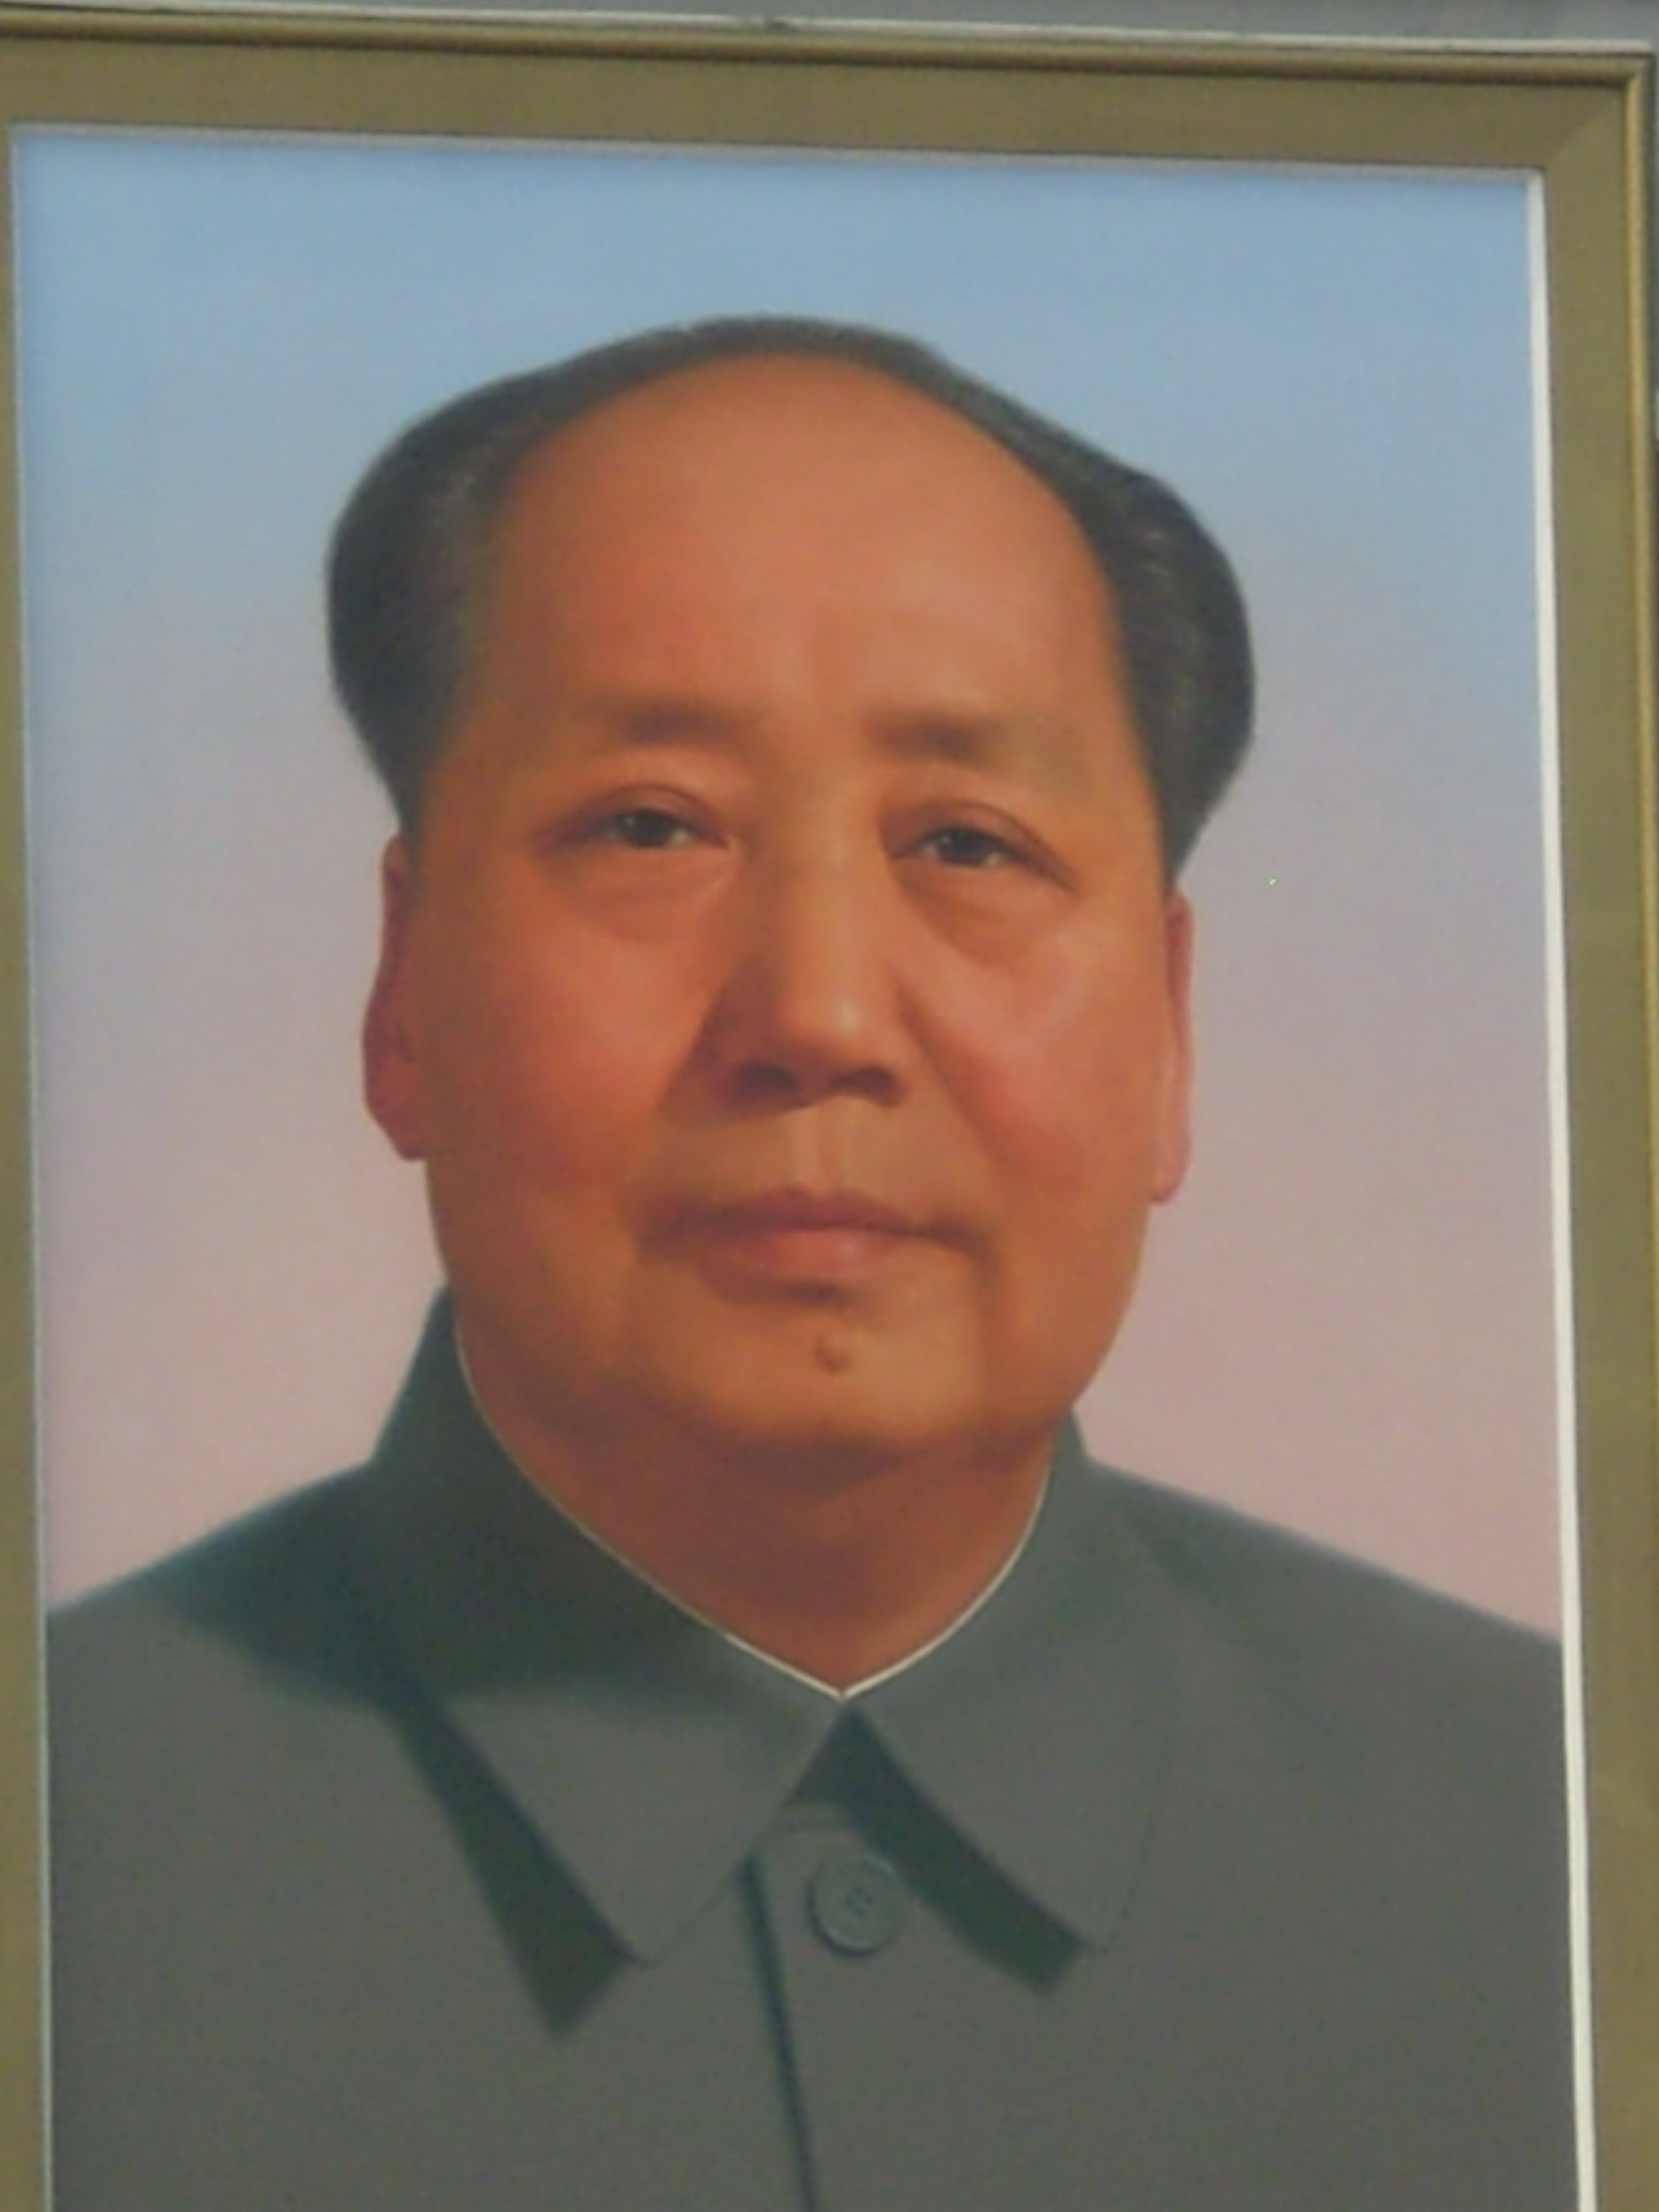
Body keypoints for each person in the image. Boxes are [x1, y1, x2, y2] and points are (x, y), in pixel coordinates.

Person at [49, 318, 1574, 2211]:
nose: (822, 1012)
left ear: (1172, 1035)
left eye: (970, 845)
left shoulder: (1569, 1844)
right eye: (650, 826)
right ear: (402, 995)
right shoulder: (66, 1835)